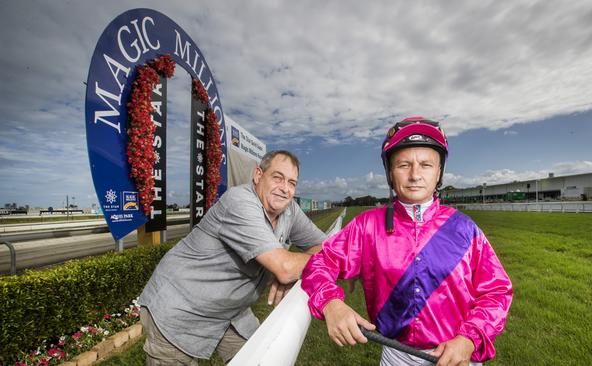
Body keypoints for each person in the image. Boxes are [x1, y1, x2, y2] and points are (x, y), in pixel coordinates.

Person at [301, 117, 513, 366]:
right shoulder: (366, 225)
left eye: (425, 165)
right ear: (390, 172)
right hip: (397, 356)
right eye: (404, 165)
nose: (415, 175)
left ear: (439, 172)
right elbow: (319, 264)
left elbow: (497, 291)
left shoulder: (465, 229)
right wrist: (331, 304)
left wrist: (469, 339)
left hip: (458, 356)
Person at [139, 150, 327, 365]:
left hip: (229, 311)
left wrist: (295, 271)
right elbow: (284, 267)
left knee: (262, 357)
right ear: (258, 175)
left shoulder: (289, 210)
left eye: (292, 183)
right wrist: (287, 270)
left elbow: (324, 247)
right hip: (180, 307)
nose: (285, 188)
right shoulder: (239, 201)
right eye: (278, 178)